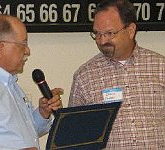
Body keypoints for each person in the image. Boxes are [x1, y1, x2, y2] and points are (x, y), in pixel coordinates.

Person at [68, 0, 165, 149]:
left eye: (109, 33)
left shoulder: (160, 67)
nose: (102, 40)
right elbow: (75, 134)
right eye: (97, 34)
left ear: (131, 30)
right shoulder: (85, 77)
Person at [0, 15, 63, 150]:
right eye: (23, 44)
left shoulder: (9, 83)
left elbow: (22, 135)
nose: (28, 51)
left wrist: (42, 113)